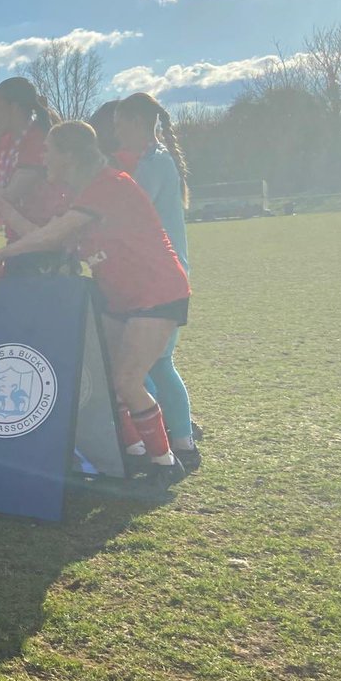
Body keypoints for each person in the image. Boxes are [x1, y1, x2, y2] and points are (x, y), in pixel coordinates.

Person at [0, 121, 191, 490]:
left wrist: (4, 253)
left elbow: (54, 234)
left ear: (69, 154)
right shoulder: (81, 195)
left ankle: (166, 462)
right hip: (120, 296)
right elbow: (45, 236)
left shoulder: (110, 184)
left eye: (48, 149)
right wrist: (2, 208)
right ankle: (135, 450)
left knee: (127, 379)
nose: (42, 157)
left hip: (156, 291)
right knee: (108, 378)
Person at [114, 92, 199, 471]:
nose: (116, 132)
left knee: (156, 363)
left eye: (119, 124)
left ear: (135, 122)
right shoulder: (153, 160)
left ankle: (177, 439)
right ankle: (177, 436)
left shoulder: (155, 163)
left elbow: (131, 209)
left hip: (161, 274)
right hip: (152, 272)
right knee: (156, 363)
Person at [0, 77, 70, 274]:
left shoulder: (38, 138)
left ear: (14, 107)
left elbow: (10, 194)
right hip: (15, 239)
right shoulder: (6, 140)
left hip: (41, 241)